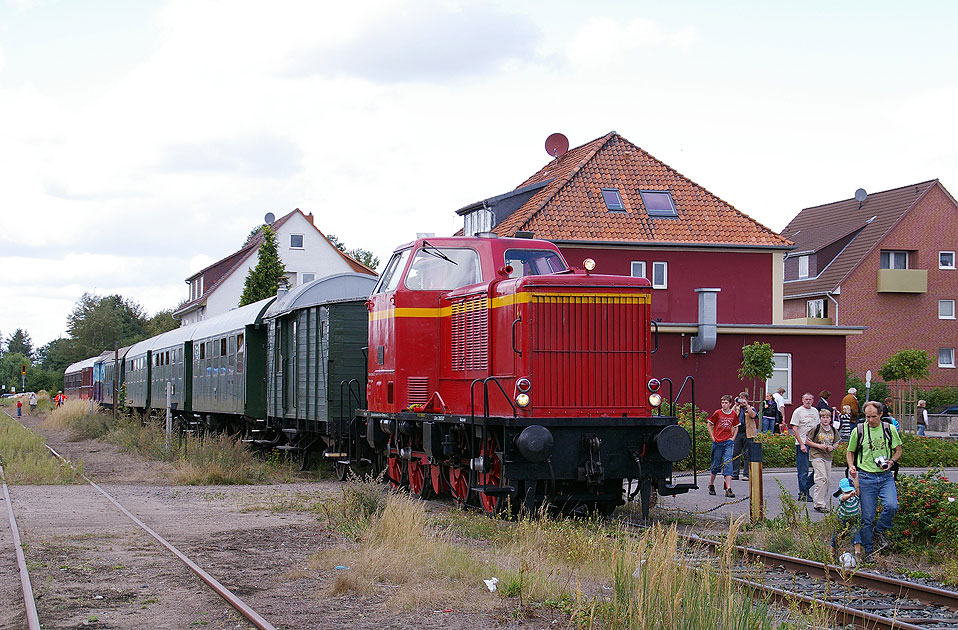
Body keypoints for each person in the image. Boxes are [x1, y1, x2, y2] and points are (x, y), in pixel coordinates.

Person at [846, 401, 902, 557]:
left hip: (885, 476)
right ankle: (869, 551)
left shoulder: (889, 429)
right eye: (867, 417)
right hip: (865, 477)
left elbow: (898, 450)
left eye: (873, 417)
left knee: (891, 505)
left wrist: (891, 461)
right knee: (867, 517)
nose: (870, 420)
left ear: (881, 415)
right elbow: (850, 451)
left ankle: (879, 530)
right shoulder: (859, 430)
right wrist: (852, 466)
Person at [706, 395, 738, 498]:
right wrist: (712, 437)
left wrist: (733, 438)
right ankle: (711, 484)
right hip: (718, 442)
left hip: (728, 442)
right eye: (722, 403)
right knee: (716, 464)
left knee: (728, 463)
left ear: (730, 404)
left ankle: (728, 488)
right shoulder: (717, 413)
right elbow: (709, 424)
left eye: (726, 403)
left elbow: (736, 426)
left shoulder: (733, 414)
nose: (724, 405)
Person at [790, 392, 820, 502]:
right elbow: (794, 428)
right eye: (806, 399)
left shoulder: (815, 411)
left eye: (810, 399)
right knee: (803, 470)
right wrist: (801, 443)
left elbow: (818, 427)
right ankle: (803, 493)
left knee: (818, 469)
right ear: (802, 400)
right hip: (802, 444)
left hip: (814, 444)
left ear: (813, 400)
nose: (808, 401)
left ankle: (805, 488)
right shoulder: (798, 411)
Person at [806, 407, 837, 512]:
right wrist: (818, 446)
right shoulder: (816, 428)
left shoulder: (833, 430)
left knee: (827, 480)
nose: (825, 419)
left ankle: (822, 502)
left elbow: (837, 442)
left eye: (827, 417)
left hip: (828, 456)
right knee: (821, 478)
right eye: (823, 417)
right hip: (816, 455)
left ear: (830, 419)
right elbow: (807, 441)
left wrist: (832, 447)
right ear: (820, 418)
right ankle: (818, 503)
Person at [831, 476, 863, 559]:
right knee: (836, 536)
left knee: (855, 534)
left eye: (850, 490)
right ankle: (832, 553)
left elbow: (857, 487)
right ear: (841, 491)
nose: (849, 493)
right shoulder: (842, 497)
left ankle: (857, 554)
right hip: (842, 520)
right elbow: (843, 498)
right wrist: (849, 495)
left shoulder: (856, 497)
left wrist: (855, 477)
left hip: (853, 520)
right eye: (846, 491)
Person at [732, 392, 758, 480]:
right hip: (738, 432)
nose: (741, 400)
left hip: (748, 433)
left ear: (747, 399)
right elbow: (730, 414)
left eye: (743, 398)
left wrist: (747, 406)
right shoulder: (737, 408)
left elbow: (753, 415)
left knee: (747, 454)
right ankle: (735, 473)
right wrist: (735, 404)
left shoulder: (751, 408)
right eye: (740, 398)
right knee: (736, 453)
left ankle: (746, 474)